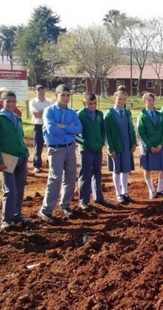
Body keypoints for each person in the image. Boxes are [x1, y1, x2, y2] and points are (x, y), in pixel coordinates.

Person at [38, 85, 83, 223]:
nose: (65, 98)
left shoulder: (72, 112)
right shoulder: (49, 111)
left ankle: (65, 205)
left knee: (70, 178)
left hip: (70, 148)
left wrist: (63, 126)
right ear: (56, 95)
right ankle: (46, 210)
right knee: (55, 179)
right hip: (56, 149)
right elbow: (52, 130)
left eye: (68, 95)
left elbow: (79, 128)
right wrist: (70, 129)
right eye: (62, 95)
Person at [0, 91, 31, 230]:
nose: (11, 104)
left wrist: (25, 150)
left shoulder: (17, 118)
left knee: (20, 188)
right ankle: (6, 220)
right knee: (9, 190)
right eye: (8, 101)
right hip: (7, 159)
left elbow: (20, 136)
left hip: (21, 157)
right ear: (2, 102)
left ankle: (16, 215)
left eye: (14, 101)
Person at [76, 91, 109, 209]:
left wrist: (101, 142)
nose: (93, 106)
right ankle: (83, 200)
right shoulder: (80, 115)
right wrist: (84, 143)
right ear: (84, 103)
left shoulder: (99, 114)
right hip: (86, 150)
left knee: (97, 173)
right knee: (85, 174)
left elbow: (103, 130)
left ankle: (98, 197)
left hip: (97, 148)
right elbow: (75, 133)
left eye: (95, 103)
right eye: (90, 103)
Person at [105, 89, 137, 204]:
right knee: (117, 170)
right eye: (119, 99)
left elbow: (131, 128)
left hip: (127, 144)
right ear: (114, 99)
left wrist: (134, 143)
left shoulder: (127, 112)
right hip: (116, 145)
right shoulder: (109, 114)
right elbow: (107, 133)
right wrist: (110, 148)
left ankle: (125, 192)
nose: (122, 101)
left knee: (125, 170)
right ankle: (118, 193)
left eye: (124, 99)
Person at [137, 92, 163, 199]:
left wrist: (161, 144)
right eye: (148, 100)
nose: (151, 103)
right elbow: (140, 133)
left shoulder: (159, 115)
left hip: (159, 146)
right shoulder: (141, 116)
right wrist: (150, 146)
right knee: (147, 169)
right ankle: (151, 190)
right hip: (147, 147)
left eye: (152, 100)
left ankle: (160, 189)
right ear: (144, 102)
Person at [29, 84, 52, 173]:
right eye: (39, 90)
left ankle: (50, 163)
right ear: (36, 92)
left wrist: (42, 113)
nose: (41, 92)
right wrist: (46, 113)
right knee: (37, 147)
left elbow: (52, 114)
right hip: (38, 126)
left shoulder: (49, 101)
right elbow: (36, 115)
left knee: (51, 145)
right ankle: (37, 165)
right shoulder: (33, 102)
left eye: (42, 90)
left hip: (48, 125)